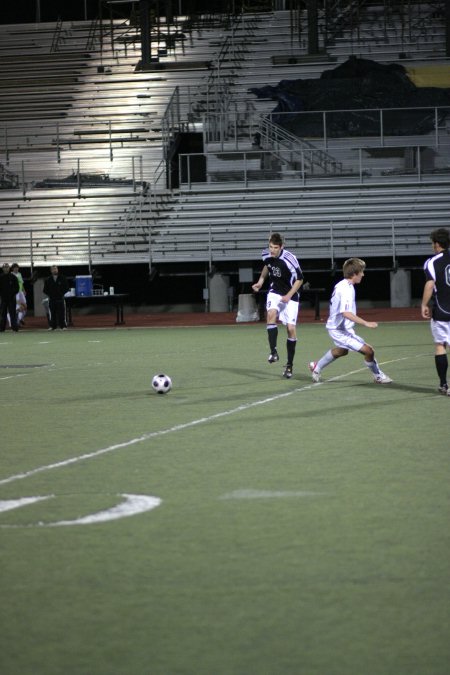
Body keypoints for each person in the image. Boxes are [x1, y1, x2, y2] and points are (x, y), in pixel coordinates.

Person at [308, 258, 392, 384]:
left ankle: (317, 366)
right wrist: (365, 323)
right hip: (339, 330)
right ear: (354, 274)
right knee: (369, 350)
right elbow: (346, 313)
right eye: (361, 272)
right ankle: (378, 376)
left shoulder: (343, 284)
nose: (363, 274)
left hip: (338, 327)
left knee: (342, 351)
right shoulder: (346, 289)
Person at [252, 232, 303, 379]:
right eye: (270, 247)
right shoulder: (266, 254)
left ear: (282, 247)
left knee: (291, 329)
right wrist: (261, 281)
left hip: (291, 295)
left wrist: (288, 295)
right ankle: (273, 352)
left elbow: (300, 279)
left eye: (275, 247)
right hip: (274, 292)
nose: (272, 250)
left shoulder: (290, 259)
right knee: (270, 315)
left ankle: (289, 366)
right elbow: (267, 266)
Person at [421, 227, 450, 396]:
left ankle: (443, 384)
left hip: (442, 311)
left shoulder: (432, 262)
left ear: (436, 244)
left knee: (440, 345)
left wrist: (424, 304)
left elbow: (430, 284)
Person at [43, 265, 70, 330]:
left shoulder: (62, 278)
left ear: (57, 270)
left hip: (60, 298)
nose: (55, 270)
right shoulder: (48, 279)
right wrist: (50, 295)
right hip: (52, 299)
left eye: (56, 269)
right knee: (52, 313)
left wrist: (61, 293)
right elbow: (45, 290)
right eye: (53, 269)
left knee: (62, 313)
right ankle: (52, 326)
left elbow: (66, 287)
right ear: (51, 271)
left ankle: (63, 326)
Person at [0, 262, 20, 332]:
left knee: (12, 313)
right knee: (3, 314)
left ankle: (14, 328)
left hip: (11, 299)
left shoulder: (13, 277)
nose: (6, 269)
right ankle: (2, 328)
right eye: (5, 267)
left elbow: (17, 288)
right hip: (3, 299)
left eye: (7, 267)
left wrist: (12, 294)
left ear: (9, 268)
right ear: (3, 269)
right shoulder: (0, 277)